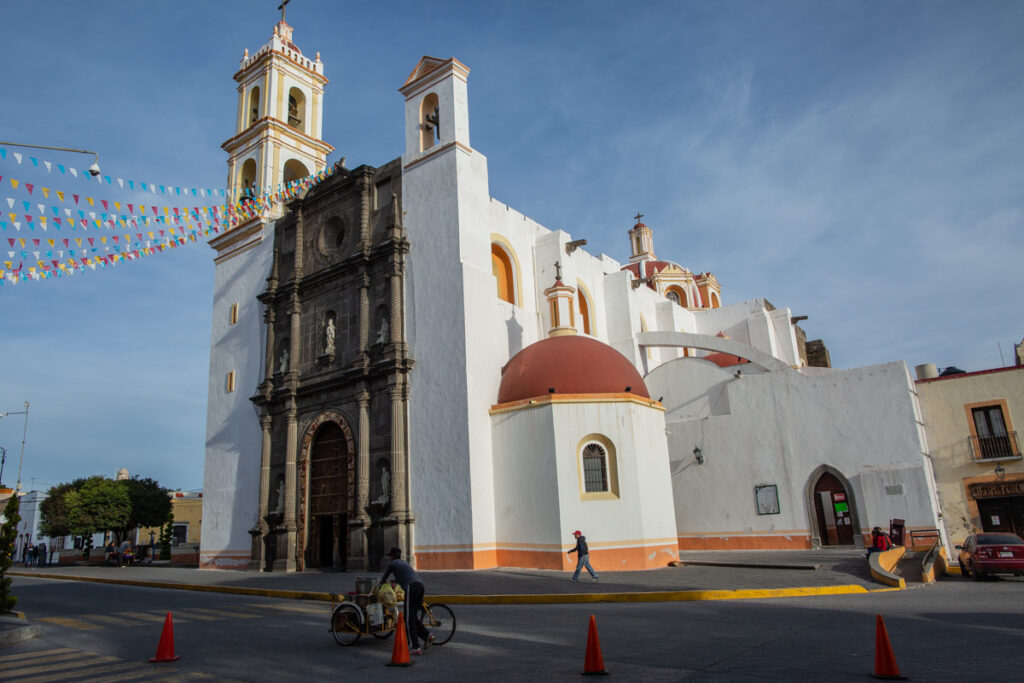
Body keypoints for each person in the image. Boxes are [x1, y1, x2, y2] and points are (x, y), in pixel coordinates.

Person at [380, 547, 432, 655]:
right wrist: (394, 581)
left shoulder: (392, 564)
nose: (389, 558)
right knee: (412, 615)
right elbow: (404, 577)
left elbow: (383, 578)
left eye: (390, 556)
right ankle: (427, 635)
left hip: (411, 588)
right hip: (420, 586)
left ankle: (414, 646)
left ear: (392, 557)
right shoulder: (404, 563)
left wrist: (381, 585)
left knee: (408, 619)